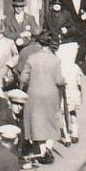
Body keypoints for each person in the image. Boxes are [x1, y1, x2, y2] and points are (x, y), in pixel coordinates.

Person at [19, 32, 65, 160]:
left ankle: (42, 149)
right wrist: (64, 80)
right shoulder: (55, 59)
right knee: (50, 121)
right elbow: (58, 80)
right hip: (51, 94)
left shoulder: (32, 58)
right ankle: (48, 148)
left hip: (34, 94)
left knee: (37, 121)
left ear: (39, 44)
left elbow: (23, 77)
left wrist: (21, 87)